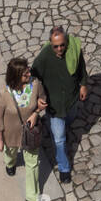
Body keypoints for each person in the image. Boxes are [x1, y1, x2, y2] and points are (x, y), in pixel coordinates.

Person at [31, 27, 88, 185]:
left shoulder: (74, 50)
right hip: (54, 106)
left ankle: (49, 123)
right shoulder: (44, 57)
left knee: (70, 119)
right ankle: (64, 168)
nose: (60, 49)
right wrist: (37, 98)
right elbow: (32, 77)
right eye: (55, 46)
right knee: (60, 139)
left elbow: (81, 68)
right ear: (50, 43)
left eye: (62, 45)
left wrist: (83, 85)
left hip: (71, 100)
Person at [0, 60, 47, 201]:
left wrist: (37, 112)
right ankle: (10, 163)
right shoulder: (3, 93)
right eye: (25, 74)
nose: (29, 74)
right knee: (10, 153)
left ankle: (32, 195)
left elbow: (43, 99)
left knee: (32, 162)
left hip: (30, 132)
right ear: (15, 76)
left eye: (28, 71)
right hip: (10, 133)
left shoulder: (35, 84)